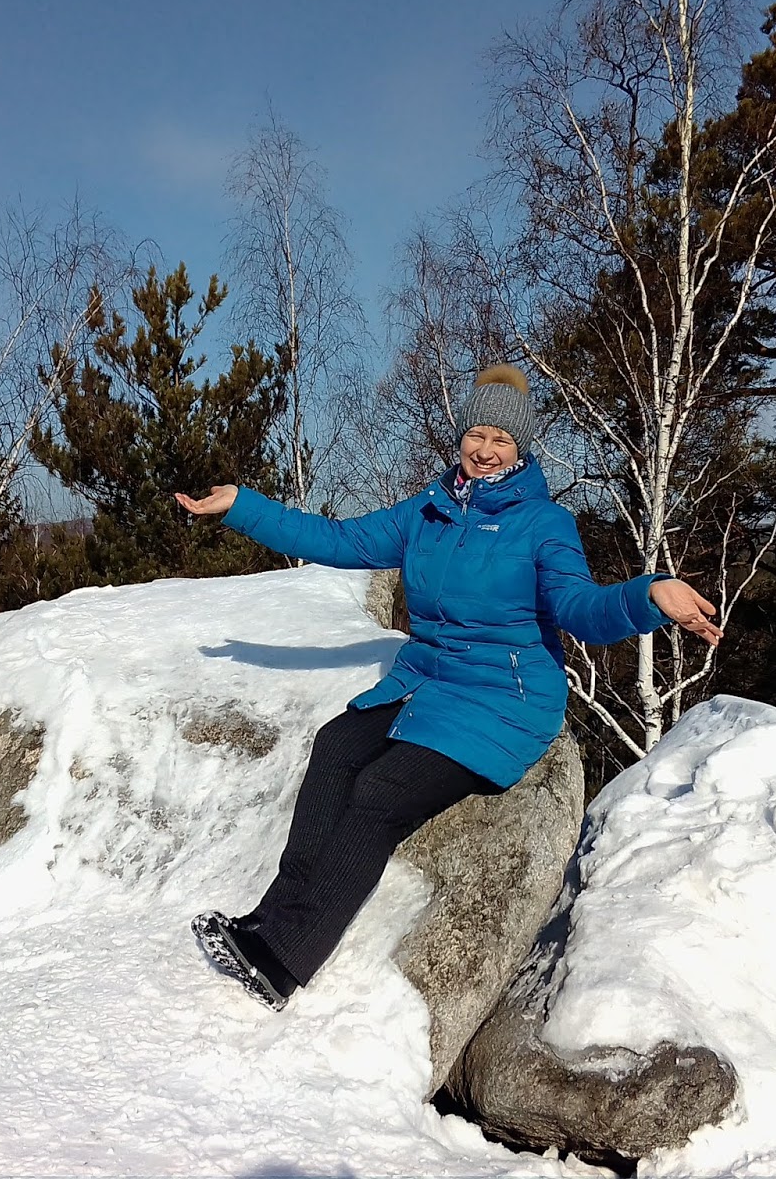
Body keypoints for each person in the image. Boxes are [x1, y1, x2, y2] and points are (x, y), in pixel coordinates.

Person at [174, 364, 722, 1010]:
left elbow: (579, 608)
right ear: (461, 435)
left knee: (379, 793)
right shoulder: (428, 511)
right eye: (476, 435)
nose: (486, 451)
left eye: (502, 441)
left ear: (522, 451)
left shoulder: (543, 524)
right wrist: (244, 506)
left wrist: (649, 594)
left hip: (506, 700)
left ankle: (285, 961)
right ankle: (272, 921)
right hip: (433, 681)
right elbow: (339, 538)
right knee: (337, 746)